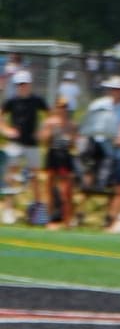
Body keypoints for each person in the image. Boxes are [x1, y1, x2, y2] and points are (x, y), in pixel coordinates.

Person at [1, 70, 47, 209]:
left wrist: (42, 131)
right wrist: (6, 130)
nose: (22, 86)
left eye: (24, 84)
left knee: (34, 176)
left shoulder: (37, 100)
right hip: (15, 144)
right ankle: (9, 208)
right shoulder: (11, 101)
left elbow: (50, 116)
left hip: (32, 144)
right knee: (11, 174)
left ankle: (38, 209)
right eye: (19, 84)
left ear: (29, 84)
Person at [40, 98, 79, 227]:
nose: (62, 109)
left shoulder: (71, 124)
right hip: (53, 154)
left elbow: (74, 144)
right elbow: (44, 139)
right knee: (49, 188)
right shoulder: (50, 122)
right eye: (60, 107)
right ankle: (49, 219)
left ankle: (67, 220)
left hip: (64, 156)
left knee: (66, 190)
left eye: (65, 107)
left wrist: (70, 138)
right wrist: (51, 132)